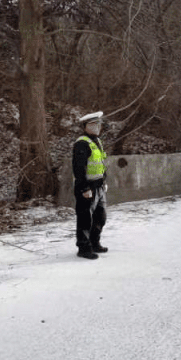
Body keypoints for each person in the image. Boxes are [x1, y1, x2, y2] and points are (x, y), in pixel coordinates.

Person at [72, 111, 108, 260]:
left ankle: (94, 242)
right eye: (94, 124)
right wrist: (84, 188)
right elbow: (79, 169)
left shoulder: (96, 141)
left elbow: (100, 164)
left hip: (99, 186)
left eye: (98, 124)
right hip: (87, 187)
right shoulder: (82, 143)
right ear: (86, 126)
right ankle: (83, 247)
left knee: (100, 217)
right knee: (85, 218)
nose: (97, 127)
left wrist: (104, 181)